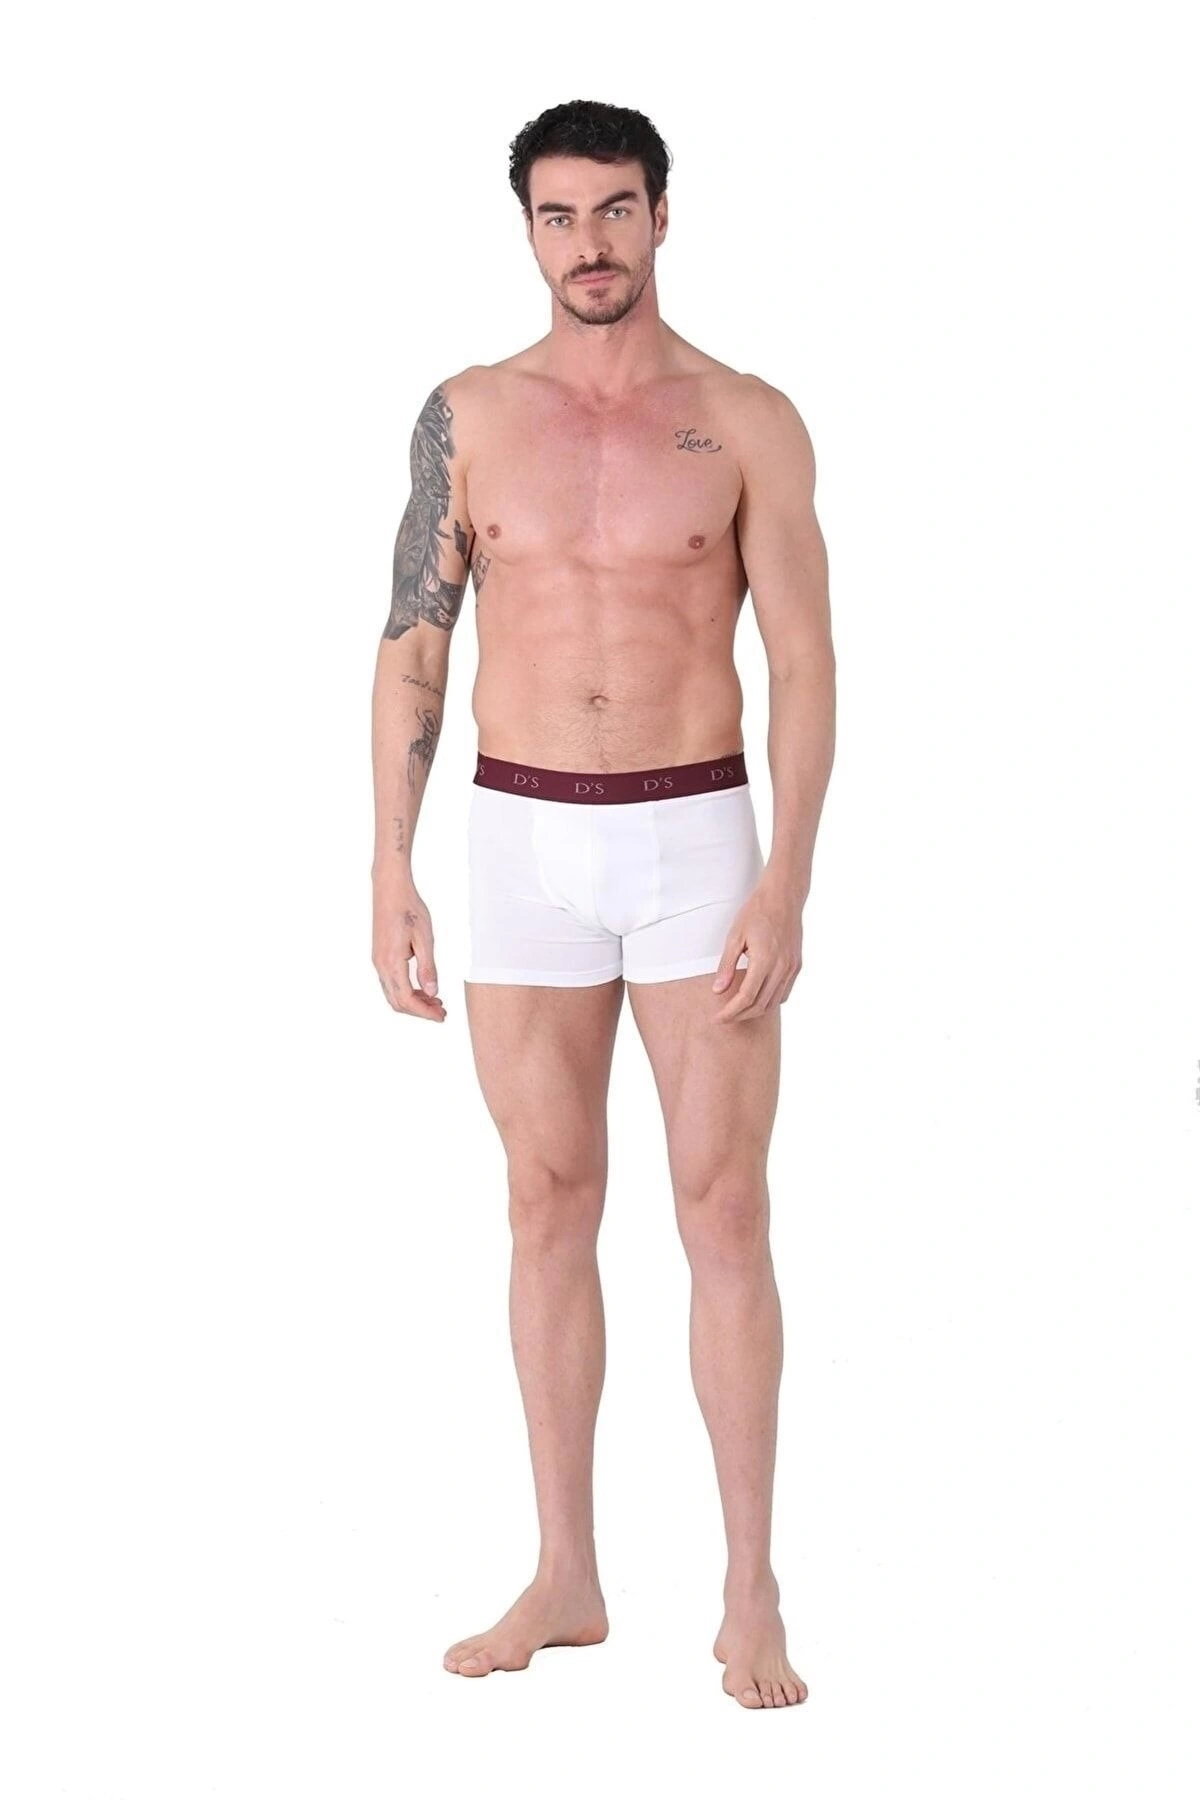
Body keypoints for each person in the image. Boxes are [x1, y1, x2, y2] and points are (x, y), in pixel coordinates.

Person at [370, 98, 834, 1710]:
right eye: (560, 215)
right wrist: (390, 862)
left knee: (725, 1210)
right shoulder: (467, 415)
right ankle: (565, 1573)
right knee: (546, 1200)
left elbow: (805, 662)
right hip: (520, 842)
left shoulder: (747, 419)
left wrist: (787, 875)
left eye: (617, 209)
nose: (590, 243)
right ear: (528, 231)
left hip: (698, 836)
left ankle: (750, 1590)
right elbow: (414, 644)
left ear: (661, 216)